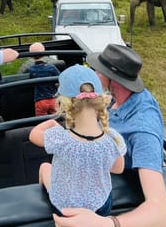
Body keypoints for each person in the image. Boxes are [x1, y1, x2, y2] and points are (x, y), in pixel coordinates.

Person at [52, 44, 166, 227]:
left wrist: (107, 226)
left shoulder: (143, 130)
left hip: (110, 205)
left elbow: (160, 214)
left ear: (111, 80)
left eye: (96, 71)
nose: (92, 75)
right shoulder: (118, 97)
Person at [29, 65, 126, 217]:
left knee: (44, 166)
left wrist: (51, 123)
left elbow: (33, 135)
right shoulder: (113, 138)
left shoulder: (59, 138)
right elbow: (118, 169)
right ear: (100, 100)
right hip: (100, 208)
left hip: (66, 209)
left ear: (64, 105)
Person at [26, 42, 60, 116]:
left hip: (40, 100)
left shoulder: (31, 70)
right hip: (53, 98)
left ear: (31, 56)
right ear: (44, 53)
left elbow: (31, 84)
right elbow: (59, 80)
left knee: (42, 121)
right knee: (58, 119)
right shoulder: (51, 67)